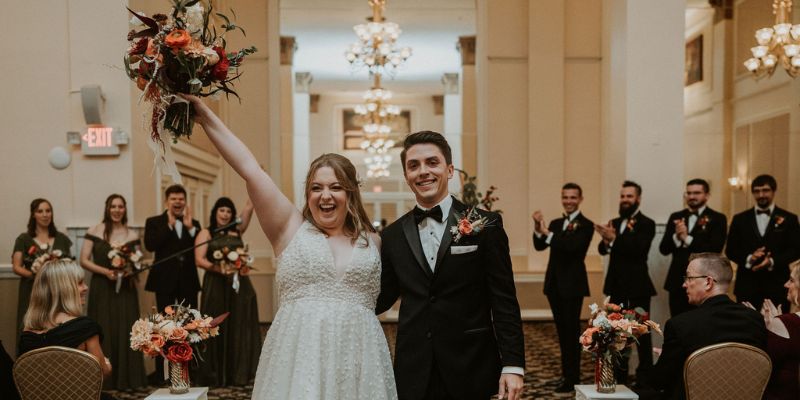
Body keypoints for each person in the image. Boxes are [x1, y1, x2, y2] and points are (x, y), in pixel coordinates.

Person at [182, 94, 397, 399]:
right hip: (300, 356)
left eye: (336, 187)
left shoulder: (373, 241)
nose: (325, 196)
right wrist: (204, 116)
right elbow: (250, 168)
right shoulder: (289, 228)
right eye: (316, 187)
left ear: (350, 194)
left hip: (359, 357)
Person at [377, 131, 525, 400]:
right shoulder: (392, 236)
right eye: (413, 165)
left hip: (471, 363)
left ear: (450, 169)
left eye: (432, 162)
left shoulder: (486, 225)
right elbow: (381, 298)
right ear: (406, 175)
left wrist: (513, 364)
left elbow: (504, 301)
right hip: (414, 368)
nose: (423, 172)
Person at [646, 253, 767, 400]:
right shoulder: (755, 320)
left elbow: (658, 382)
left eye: (689, 278)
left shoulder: (681, 325)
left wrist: (668, 358)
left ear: (708, 282)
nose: (684, 284)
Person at [79, 194, 146, 390]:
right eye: (113, 206)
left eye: (120, 207)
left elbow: (138, 262)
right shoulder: (95, 230)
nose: (117, 210)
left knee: (126, 328)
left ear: (125, 210)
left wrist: (127, 270)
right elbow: (84, 260)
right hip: (102, 287)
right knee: (103, 328)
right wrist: (105, 272)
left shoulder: (132, 235)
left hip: (125, 289)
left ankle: (128, 379)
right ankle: (104, 377)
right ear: (107, 209)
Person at [18, 260, 113, 398]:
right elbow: (101, 374)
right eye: (80, 283)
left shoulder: (27, 331)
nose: (85, 287)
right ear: (64, 289)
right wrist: (107, 364)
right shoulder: (85, 328)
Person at [532, 182, 593, 393]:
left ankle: (573, 378)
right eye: (565, 197)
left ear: (580, 199)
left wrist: (548, 233)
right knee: (561, 332)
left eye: (573, 197)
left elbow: (572, 248)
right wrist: (538, 229)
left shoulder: (586, 225)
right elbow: (540, 246)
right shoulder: (557, 224)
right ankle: (565, 374)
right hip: (554, 285)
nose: (568, 201)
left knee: (571, 332)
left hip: (573, 286)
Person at [594, 180, 656, 384]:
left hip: (637, 289)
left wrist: (614, 239)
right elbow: (602, 250)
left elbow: (639, 249)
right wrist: (606, 240)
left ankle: (645, 376)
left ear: (638, 198)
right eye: (622, 196)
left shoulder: (647, 223)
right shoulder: (614, 221)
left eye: (629, 196)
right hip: (616, 288)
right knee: (616, 334)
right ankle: (619, 376)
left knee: (642, 334)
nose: (625, 200)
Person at [193, 197, 259, 386]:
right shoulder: (206, 232)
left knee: (238, 324)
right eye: (222, 210)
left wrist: (255, 179)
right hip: (215, 284)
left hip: (238, 285)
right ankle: (213, 374)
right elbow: (199, 259)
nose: (225, 214)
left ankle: (236, 373)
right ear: (215, 212)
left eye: (229, 211)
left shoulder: (236, 230)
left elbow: (248, 206)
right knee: (215, 325)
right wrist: (219, 269)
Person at [144, 184, 201, 382]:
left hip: (188, 282)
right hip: (164, 282)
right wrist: (168, 227)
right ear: (167, 201)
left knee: (191, 326)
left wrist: (190, 229)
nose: (178, 202)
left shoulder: (193, 224)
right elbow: (150, 245)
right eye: (174, 199)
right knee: (163, 327)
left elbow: (199, 249)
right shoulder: (154, 222)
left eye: (181, 199)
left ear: (185, 201)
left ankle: (190, 370)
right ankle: (164, 373)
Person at [727, 174, 800, 312]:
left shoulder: (789, 219)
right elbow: (730, 250)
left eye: (765, 190)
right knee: (746, 326)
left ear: (773, 191)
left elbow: (796, 249)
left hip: (778, 284)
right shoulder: (739, 219)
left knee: (779, 325)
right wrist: (749, 258)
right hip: (747, 284)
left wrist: (772, 261)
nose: (761, 194)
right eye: (757, 191)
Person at [659, 179, 727, 317]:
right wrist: (677, 237)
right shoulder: (676, 216)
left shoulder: (717, 218)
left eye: (696, 193)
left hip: (703, 283)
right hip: (677, 281)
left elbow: (715, 249)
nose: (691, 196)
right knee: (677, 321)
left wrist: (687, 238)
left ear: (707, 195)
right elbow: (663, 249)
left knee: (702, 322)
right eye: (688, 193)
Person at [12, 198, 73, 347]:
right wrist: (36, 275)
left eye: (48, 211)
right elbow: (16, 266)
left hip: (58, 292)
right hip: (32, 291)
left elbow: (70, 264)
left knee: (57, 329)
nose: (45, 215)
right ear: (33, 215)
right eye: (40, 211)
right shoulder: (24, 239)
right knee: (32, 327)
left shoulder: (62, 238)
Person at [747, 260, 800, 400]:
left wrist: (762, 327)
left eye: (792, 280)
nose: (786, 284)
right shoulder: (784, 322)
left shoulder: (786, 323)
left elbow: (759, 368)